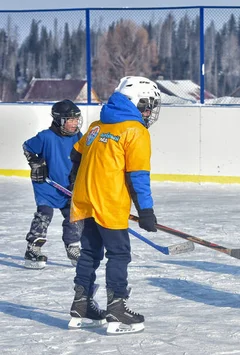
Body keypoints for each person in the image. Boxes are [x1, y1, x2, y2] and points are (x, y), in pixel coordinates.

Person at [67, 76, 162, 334]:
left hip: (85, 201)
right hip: (109, 204)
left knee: (89, 253)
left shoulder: (98, 126)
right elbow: (137, 176)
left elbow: (75, 155)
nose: (149, 112)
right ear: (136, 103)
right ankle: (117, 307)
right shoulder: (135, 131)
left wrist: (76, 180)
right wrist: (146, 211)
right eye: (147, 106)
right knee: (119, 254)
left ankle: (81, 303)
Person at [22, 100, 83, 269]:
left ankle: (73, 247)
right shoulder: (45, 136)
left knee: (75, 216)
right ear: (59, 120)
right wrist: (36, 163)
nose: (74, 123)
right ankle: (33, 248)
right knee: (44, 215)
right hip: (47, 184)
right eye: (70, 120)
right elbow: (27, 147)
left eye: (76, 119)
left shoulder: (79, 137)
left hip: (68, 186)